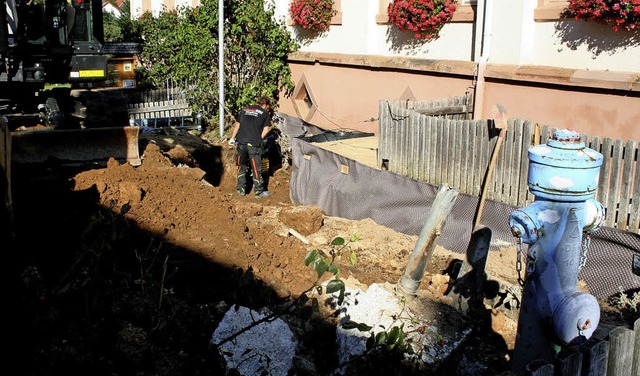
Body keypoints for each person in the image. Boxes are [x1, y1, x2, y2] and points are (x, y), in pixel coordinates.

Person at [229, 96, 273, 198]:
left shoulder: (244, 110)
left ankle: (241, 190)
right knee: (256, 168)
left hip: (241, 143)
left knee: (241, 166)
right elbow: (266, 130)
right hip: (253, 145)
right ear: (265, 105)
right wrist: (259, 139)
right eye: (268, 107)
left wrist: (232, 138)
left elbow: (237, 125)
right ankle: (259, 192)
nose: (267, 109)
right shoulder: (264, 114)